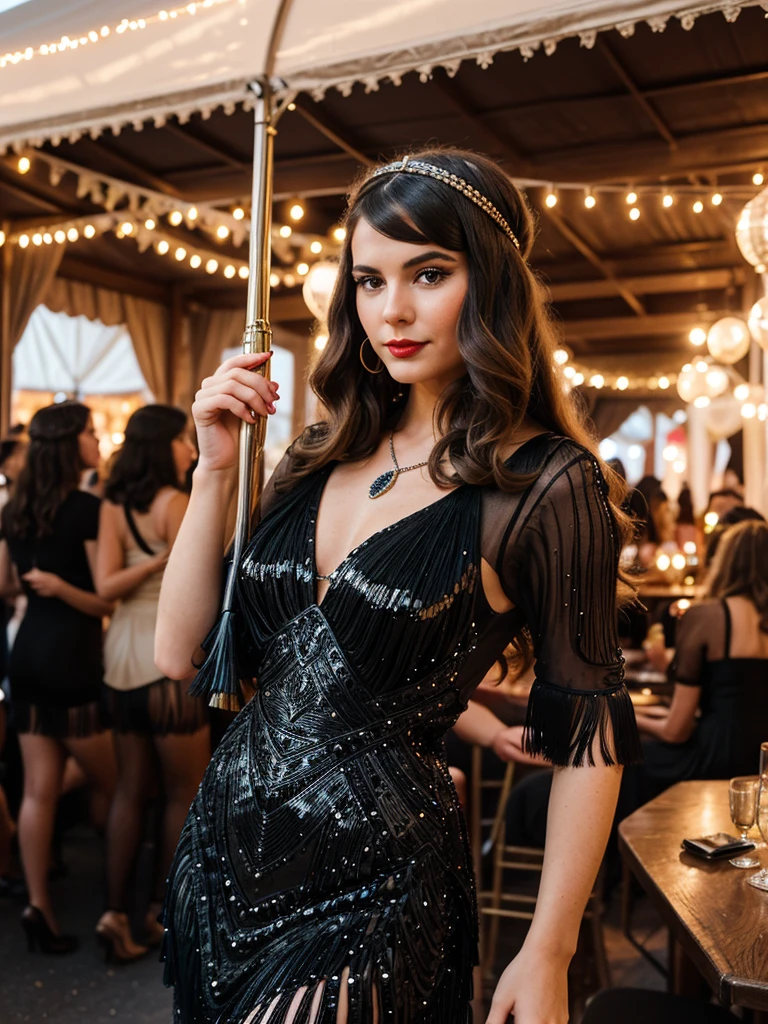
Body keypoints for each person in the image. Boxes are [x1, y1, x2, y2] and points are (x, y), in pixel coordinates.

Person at [155, 148, 642, 1024]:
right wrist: (215, 473)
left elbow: (589, 733)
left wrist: (548, 948)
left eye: (428, 273)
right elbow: (181, 651)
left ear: (489, 282)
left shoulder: (544, 484)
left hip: (374, 897)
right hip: (219, 873)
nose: (395, 310)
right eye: (369, 281)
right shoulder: (313, 454)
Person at [0, 401, 115, 954]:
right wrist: (65, 589)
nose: (98, 442)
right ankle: (120, 896)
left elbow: (5, 585)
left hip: (25, 655)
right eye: (92, 434)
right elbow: (100, 599)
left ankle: (37, 905)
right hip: (71, 657)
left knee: (37, 790)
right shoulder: (85, 508)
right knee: (114, 784)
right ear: (72, 444)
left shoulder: (16, 508)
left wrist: (39, 584)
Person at [94, 405, 208, 962]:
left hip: (119, 658)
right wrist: (164, 558)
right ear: (164, 445)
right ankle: (164, 913)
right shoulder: (176, 502)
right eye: (184, 440)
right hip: (165, 656)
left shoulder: (112, 505)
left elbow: (105, 585)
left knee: (128, 790)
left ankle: (114, 910)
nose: (191, 449)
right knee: (182, 793)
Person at [633, 519, 768, 788]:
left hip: (715, 760)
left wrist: (626, 717)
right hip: (760, 763)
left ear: (726, 562)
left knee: (626, 760)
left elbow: (676, 732)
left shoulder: (708, 616)